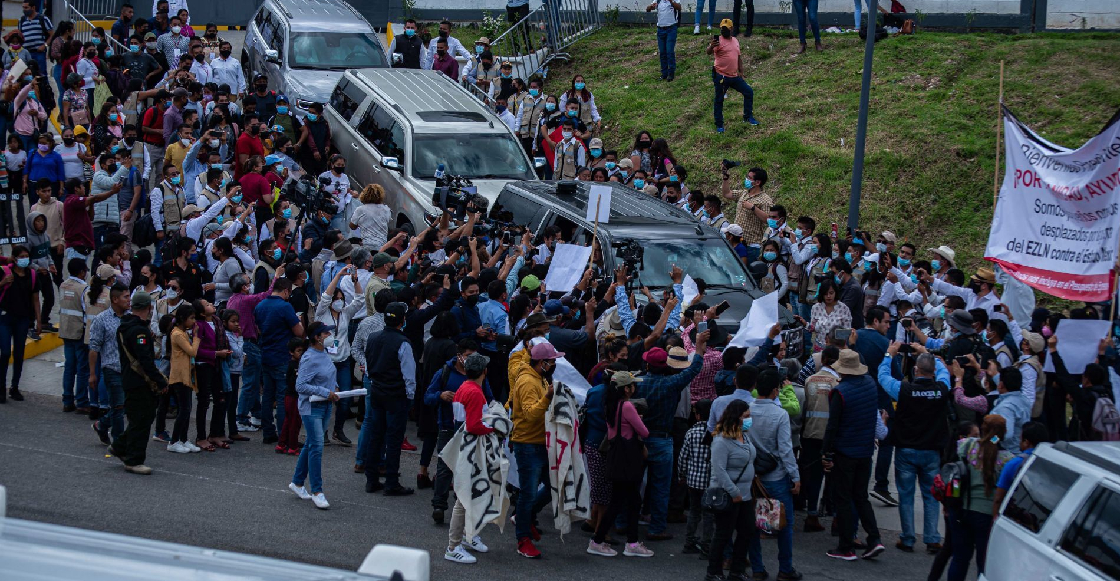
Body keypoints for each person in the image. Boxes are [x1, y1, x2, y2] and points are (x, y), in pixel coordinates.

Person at [877, 346, 949, 553]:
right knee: (931, 494)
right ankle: (932, 537)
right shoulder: (941, 389)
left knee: (906, 495)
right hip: (931, 450)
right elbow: (943, 373)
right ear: (932, 371)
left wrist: (888, 354)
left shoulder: (903, 389)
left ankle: (908, 538)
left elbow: (883, 376)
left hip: (906, 449)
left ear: (916, 370)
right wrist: (928, 352)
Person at [822, 349, 885, 561]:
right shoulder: (870, 385)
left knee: (843, 499)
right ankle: (874, 539)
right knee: (861, 497)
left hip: (845, 452)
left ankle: (846, 546)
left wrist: (826, 453)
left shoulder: (840, 392)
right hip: (865, 451)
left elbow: (832, 426)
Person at [508, 340, 566, 559]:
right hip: (528, 444)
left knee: (552, 486)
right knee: (528, 493)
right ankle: (522, 538)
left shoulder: (539, 378)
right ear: (541, 363)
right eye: (551, 362)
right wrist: (548, 397)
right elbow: (532, 414)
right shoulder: (527, 382)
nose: (553, 365)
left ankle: (525, 517)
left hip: (540, 442)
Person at [587, 371, 654, 558]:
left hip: (616, 457)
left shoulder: (610, 404)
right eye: (632, 384)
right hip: (629, 458)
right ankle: (603, 541)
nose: (635, 387)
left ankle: (621, 541)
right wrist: (639, 420)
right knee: (626, 501)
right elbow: (644, 432)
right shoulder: (627, 406)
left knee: (626, 500)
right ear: (626, 389)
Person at [746, 368, 802, 579]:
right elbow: (786, 450)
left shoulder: (747, 411)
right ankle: (785, 569)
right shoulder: (780, 415)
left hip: (753, 477)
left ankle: (758, 568)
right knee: (784, 526)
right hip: (777, 477)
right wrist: (795, 477)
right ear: (775, 391)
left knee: (753, 523)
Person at [442, 352, 495, 564]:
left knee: (468, 498)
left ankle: (467, 536)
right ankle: (453, 546)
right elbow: (474, 425)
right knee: (463, 500)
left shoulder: (464, 388)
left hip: (465, 447)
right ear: (484, 371)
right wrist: (493, 428)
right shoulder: (475, 392)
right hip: (471, 449)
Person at [947, 415, 1014, 581]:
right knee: (983, 563)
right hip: (986, 515)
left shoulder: (967, 445)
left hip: (962, 509)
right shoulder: (1007, 459)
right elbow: (993, 442)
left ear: (982, 429)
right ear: (1004, 433)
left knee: (960, 558)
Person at [108, 290, 166, 474]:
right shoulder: (138, 330)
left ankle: (120, 446)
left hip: (130, 379)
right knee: (141, 421)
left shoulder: (125, 325)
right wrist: (160, 381)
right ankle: (134, 460)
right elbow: (144, 361)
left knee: (140, 418)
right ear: (149, 308)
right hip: (139, 381)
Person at [363, 301, 417, 496]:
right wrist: (410, 398)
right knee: (393, 439)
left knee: (376, 436)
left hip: (377, 390)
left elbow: (368, 364)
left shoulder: (373, 338)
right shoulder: (403, 342)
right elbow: (409, 374)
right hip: (396, 394)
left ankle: (372, 478)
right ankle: (391, 481)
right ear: (402, 320)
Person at [288, 321, 340, 510]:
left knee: (311, 444)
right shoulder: (309, 357)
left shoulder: (323, 353)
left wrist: (334, 389)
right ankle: (317, 491)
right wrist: (326, 392)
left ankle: (297, 482)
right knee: (317, 446)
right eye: (326, 333)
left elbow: (327, 377)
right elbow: (300, 386)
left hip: (325, 406)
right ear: (317, 337)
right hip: (311, 408)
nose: (329, 336)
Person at [704, 399, 756, 581]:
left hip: (746, 494)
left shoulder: (745, 435)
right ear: (736, 417)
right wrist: (734, 492)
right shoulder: (721, 441)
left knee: (746, 531)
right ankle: (713, 572)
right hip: (728, 494)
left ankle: (737, 570)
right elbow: (719, 470)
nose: (749, 420)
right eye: (746, 416)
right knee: (723, 534)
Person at [254, 277, 304, 443]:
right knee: (283, 396)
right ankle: (285, 435)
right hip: (282, 356)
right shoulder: (285, 307)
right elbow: (298, 332)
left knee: (268, 395)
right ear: (286, 291)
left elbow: (258, 329)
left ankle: (268, 432)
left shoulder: (260, 306)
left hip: (266, 354)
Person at [89, 283, 130, 444]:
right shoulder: (102, 320)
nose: (129, 300)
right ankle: (119, 442)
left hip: (129, 369)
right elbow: (94, 348)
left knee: (123, 405)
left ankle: (102, 424)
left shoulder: (130, 317)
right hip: (112, 369)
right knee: (118, 408)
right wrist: (92, 374)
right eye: (125, 297)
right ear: (114, 299)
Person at [0, 245, 42, 402]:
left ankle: (14, 387)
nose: (25, 259)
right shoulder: (4, 271)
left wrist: (39, 320)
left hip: (23, 319)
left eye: (27, 256)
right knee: (5, 353)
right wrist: (3, 282)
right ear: (14, 258)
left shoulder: (32, 275)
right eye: (21, 256)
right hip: (5, 317)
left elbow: (36, 299)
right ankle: (1, 388)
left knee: (19, 354)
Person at [707, 19, 758, 133]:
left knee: (748, 92)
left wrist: (741, 70)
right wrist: (711, 46)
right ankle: (719, 124)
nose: (723, 30)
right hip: (721, 75)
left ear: (731, 29)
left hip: (734, 76)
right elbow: (708, 52)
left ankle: (747, 116)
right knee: (719, 99)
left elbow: (738, 57)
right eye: (722, 28)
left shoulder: (735, 40)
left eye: (726, 28)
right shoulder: (718, 41)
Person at [991, 421, 1048, 518]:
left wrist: (996, 437)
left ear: (1026, 442)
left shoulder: (1013, 463)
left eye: (1020, 439)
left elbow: (998, 498)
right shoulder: (1051, 460)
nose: (1018, 441)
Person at [646, 0, 680, 81]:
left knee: (669, 51)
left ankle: (671, 72)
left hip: (671, 29)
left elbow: (679, 7)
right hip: (660, 29)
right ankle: (664, 73)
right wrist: (651, 7)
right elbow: (648, 9)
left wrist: (671, 1)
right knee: (662, 53)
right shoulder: (658, 0)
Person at [18, 1, 52, 77]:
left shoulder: (43, 19)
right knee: (26, 75)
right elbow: (20, 36)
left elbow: (51, 35)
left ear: (33, 8)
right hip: (26, 53)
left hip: (39, 53)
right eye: (23, 7)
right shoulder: (21, 21)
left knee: (41, 74)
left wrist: (44, 46)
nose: (24, 10)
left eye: (26, 7)